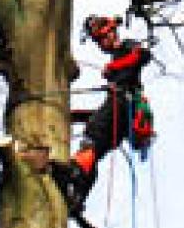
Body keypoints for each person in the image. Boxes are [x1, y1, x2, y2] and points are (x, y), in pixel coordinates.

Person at [53, 15, 154, 213]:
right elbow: (106, 115)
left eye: (101, 39)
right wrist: (76, 116)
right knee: (95, 150)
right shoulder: (117, 58)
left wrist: (114, 67)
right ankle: (78, 195)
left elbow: (142, 56)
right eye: (97, 41)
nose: (100, 45)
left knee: (93, 135)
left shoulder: (126, 47)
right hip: (122, 113)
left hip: (126, 103)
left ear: (111, 32)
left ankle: (74, 171)